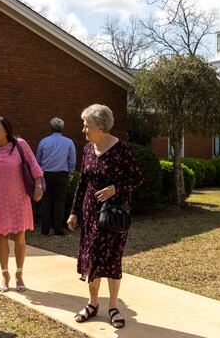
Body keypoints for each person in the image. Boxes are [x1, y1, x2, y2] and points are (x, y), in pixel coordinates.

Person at [67, 104, 143, 329]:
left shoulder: (121, 150)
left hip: (113, 215)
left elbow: (137, 178)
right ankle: (92, 304)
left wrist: (115, 188)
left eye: (87, 125)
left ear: (101, 127)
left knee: (110, 259)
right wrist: (73, 212)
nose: (84, 130)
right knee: (91, 258)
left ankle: (113, 306)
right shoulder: (88, 149)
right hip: (91, 212)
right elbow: (82, 182)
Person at [0, 117, 43, 293]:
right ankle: (5, 274)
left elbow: (34, 166)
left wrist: (38, 186)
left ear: (6, 131)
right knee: (2, 237)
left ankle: (19, 274)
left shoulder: (20, 145)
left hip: (19, 198)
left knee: (20, 237)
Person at [36, 117, 76, 236]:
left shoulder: (43, 141)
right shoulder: (69, 142)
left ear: (50, 128)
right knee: (60, 202)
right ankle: (58, 230)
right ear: (62, 128)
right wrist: (70, 174)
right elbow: (72, 161)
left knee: (46, 202)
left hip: (46, 175)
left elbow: (38, 160)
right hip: (62, 175)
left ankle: (45, 230)